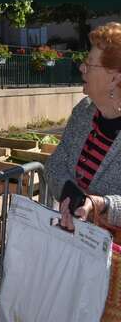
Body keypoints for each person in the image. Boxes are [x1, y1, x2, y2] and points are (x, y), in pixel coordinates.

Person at [46, 22, 121, 231]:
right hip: (75, 246)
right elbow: (54, 165)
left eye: (90, 63)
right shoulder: (84, 111)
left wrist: (103, 205)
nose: (81, 67)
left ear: (114, 78)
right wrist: (70, 195)